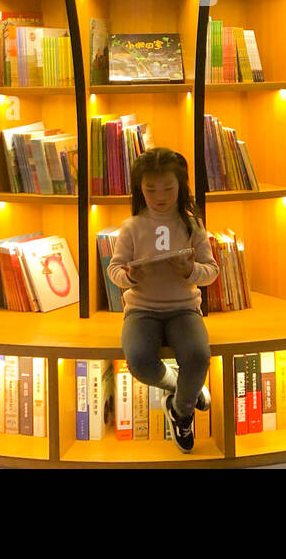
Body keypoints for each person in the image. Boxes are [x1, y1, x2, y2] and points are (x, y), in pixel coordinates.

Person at [107, 147, 220, 454]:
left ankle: (181, 411)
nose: (160, 196)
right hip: (141, 309)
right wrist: (128, 277)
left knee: (198, 356)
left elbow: (211, 271)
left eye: (168, 188)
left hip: (184, 308)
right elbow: (114, 269)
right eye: (150, 189)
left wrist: (191, 270)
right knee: (140, 362)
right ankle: (180, 386)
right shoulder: (131, 226)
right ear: (139, 189)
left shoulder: (192, 225)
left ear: (180, 186)